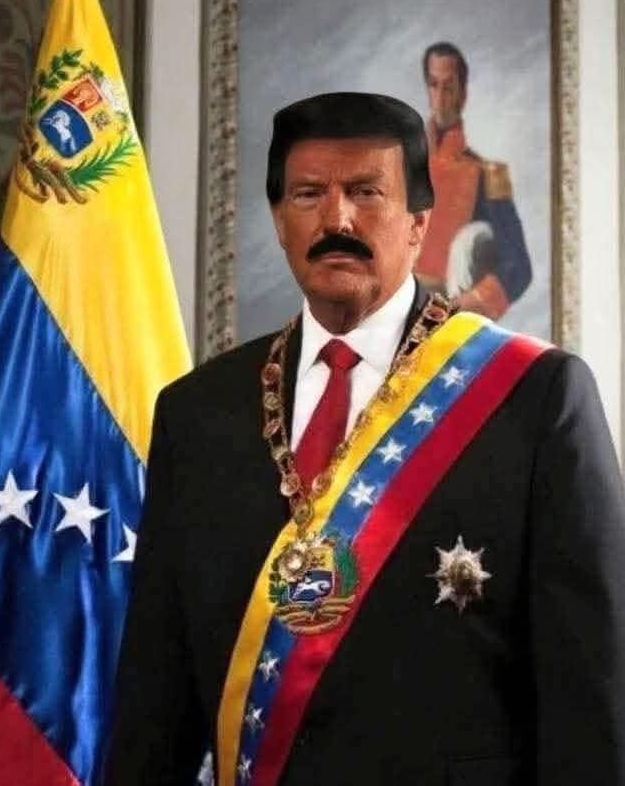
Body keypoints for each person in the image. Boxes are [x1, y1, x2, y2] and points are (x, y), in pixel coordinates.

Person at [104, 92, 625, 786]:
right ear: (278, 221)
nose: (337, 220)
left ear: (418, 223)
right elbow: (155, 701)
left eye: (365, 193)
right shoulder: (197, 413)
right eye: (308, 194)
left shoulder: (536, 398)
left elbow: (591, 699)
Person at [417, 41, 532, 319]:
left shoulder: (486, 175)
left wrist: (462, 307)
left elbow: (517, 267)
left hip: (449, 319)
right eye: (434, 85)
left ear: (463, 95)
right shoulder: (399, 166)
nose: (440, 97)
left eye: (449, 87)